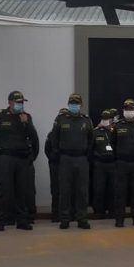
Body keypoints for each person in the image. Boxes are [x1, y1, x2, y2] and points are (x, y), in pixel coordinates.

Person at [0, 91, 39, 231]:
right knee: (5, 190)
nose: (20, 105)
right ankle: (1, 220)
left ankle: (22, 221)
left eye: (21, 102)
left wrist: (26, 124)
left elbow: (33, 137)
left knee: (22, 191)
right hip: (5, 157)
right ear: (10, 103)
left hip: (21, 158)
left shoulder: (26, 117)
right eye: (17, 102)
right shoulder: (0, 116)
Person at [52, 93, 93, 229]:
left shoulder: (86, 120)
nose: (74, 105)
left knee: (82, 190)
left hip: (81, 158)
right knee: (65, 190)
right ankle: (65, 219)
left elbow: (91, 140)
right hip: (65, 159)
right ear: (68, 104)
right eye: (72, 103)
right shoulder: (61, 119)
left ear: (81, 105)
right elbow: (54, 139)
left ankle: (82, 219)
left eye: (76, 103)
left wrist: (87, 156)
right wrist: (58, 154)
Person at [112, 99, 134, 227]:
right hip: (121, 163)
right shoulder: (117, 125)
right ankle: (119, 219)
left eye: (130, 109)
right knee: (120, 192)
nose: (128, 112)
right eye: (126, 109)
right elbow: (112, 143)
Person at [91, 110, 116, 219]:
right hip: (99, 164)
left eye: (108, 119)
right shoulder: (95, 132)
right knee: (99, 188)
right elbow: (90, 149)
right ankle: (98, 211)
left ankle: (112, 210)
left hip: (112, 164)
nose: (106, 121)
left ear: (111, 119)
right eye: (104, 119)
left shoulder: (115, 131)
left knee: (113, 188)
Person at [45, 108, 69, 223]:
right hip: (55, 165)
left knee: (67, 189)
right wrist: (53, 159)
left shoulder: (70, 132)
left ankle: (68, 213)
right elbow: (47, 150)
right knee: (55, 190)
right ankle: (55, 214)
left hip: (67, 164)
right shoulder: (51, 134)